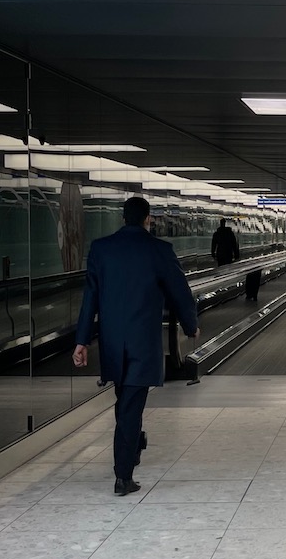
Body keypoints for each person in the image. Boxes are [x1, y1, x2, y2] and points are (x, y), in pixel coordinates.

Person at [74, 196, 198, 496]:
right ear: (148, 219)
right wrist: (190, 324)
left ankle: (134, 442)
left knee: (126, 400)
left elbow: (89, 298)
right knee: (130, 405)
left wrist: (81, 341)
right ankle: (123, 475)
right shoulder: (159, 250)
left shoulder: (101, 249)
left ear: (123, 218)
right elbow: (179, 292)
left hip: (113, 343)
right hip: (143, 343)